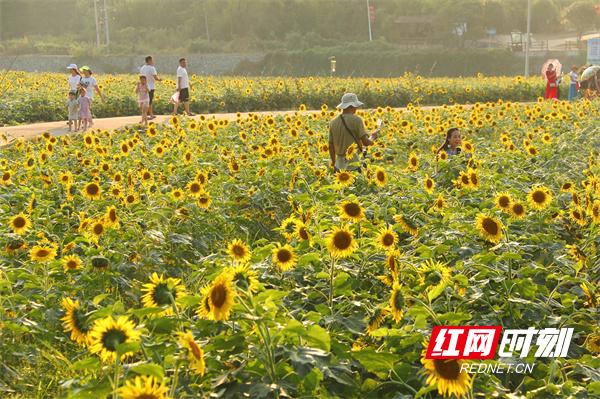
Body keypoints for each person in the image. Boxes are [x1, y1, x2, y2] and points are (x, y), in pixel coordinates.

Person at [328, 93, 380, 173]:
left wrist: (335, 164)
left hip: (339, 166)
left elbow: (331, 146)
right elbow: (366, 142)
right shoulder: (357, 120)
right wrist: (373, 137)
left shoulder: (333, 122)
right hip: (355, 164)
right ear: (352, 106)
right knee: (358, 185)